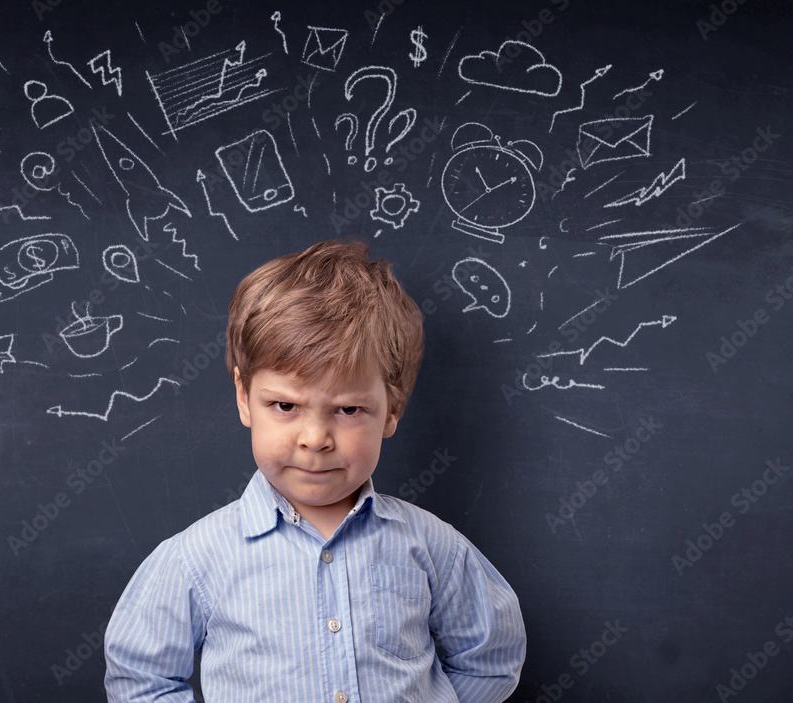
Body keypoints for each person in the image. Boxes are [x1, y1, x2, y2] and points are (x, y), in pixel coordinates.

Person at [104, 239, 526, 702]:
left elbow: (491, 658)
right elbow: (141, 679)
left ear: (392, 409)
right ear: (245, 398)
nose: (314, 438)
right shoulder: (196, 557)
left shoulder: (430, 545)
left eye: (348, 410)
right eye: (285, 405)